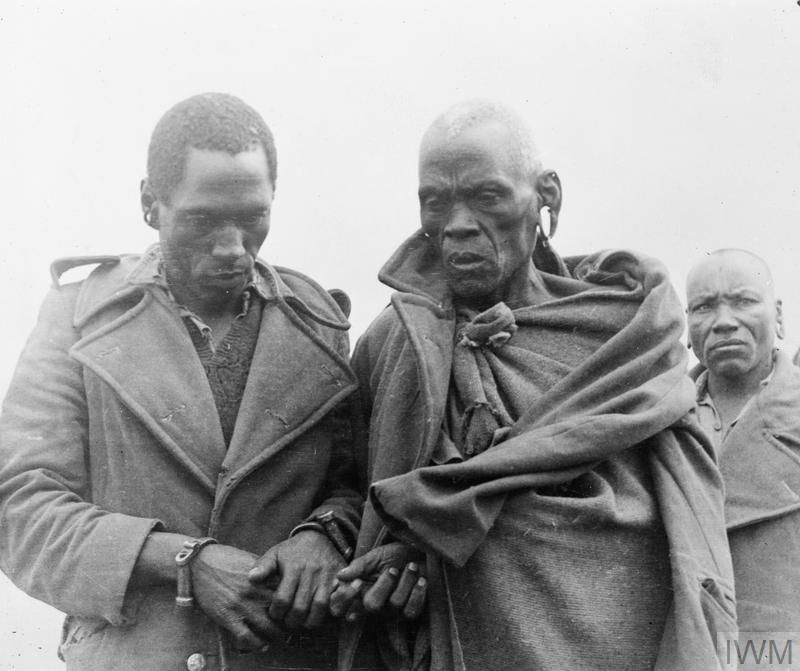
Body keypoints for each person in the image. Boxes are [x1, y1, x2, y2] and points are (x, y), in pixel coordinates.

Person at [332, 101, 735, 670]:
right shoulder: (393, 344)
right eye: (435, 201)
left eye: (487, 196)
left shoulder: (623, 333)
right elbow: (357, 494)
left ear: (547, 195)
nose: (457, 224)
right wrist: (405, 549)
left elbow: (685, 516)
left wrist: (441, 528)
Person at [0, 93, 374, 671]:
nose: (232, 248)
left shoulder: (320, 325)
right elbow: (19, 510)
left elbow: (355, 487)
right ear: (150, 203)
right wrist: (182, 562)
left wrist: (323, 536)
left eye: (253, 219)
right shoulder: (76, 319)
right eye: (203, 221)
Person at [686, 249, 800, 633]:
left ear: (778, 316)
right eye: (704, 307)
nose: (724, 322)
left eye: (744, 301)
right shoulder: (655, 422)